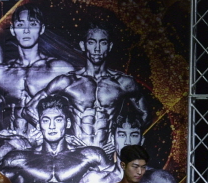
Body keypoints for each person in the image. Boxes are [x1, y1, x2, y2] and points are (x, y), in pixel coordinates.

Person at [42, 21, 147, 150]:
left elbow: (145, 115)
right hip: (76, 153)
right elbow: (30, 109)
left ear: (110, 46)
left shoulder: (123, 83)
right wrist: (62, 136)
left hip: (108, 153)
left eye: (103, 43)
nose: (97, 49)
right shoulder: (68, 81)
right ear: (83, 45)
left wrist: (120, 139)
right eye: (91, 42)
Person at [0, 2, 76, 136]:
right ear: (12, 30)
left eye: (33, 24)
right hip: (9, 141)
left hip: (47, 143)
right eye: (20, 25)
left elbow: (81, 107)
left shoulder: (59, 69)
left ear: (42, 29)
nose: (26, 30)